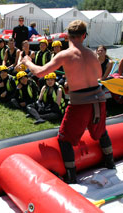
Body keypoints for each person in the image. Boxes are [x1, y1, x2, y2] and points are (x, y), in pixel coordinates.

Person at [22, 20, 115, 183]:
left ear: (67, 36)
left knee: (64, 138)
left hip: (80, 103)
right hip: (98, 100)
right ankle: (110, 163)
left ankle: (72, 178)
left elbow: (40, 73)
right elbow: (98, 76)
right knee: (101, 132)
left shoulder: (65, 55)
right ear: (84, 36)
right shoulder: (92, 55)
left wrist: (27, 61)